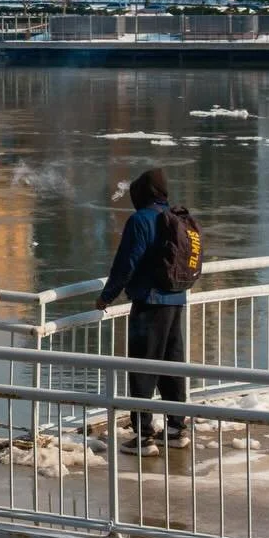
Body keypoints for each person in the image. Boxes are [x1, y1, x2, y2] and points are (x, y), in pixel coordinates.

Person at [95, 167, 190, 453]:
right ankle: (176, 428)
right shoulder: (175, 217)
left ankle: (144, 436)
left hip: (149, 303)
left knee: (142, 368)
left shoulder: (140, 220)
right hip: (176, 300)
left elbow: (126, 264)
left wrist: (106, 297)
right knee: (171, 367)